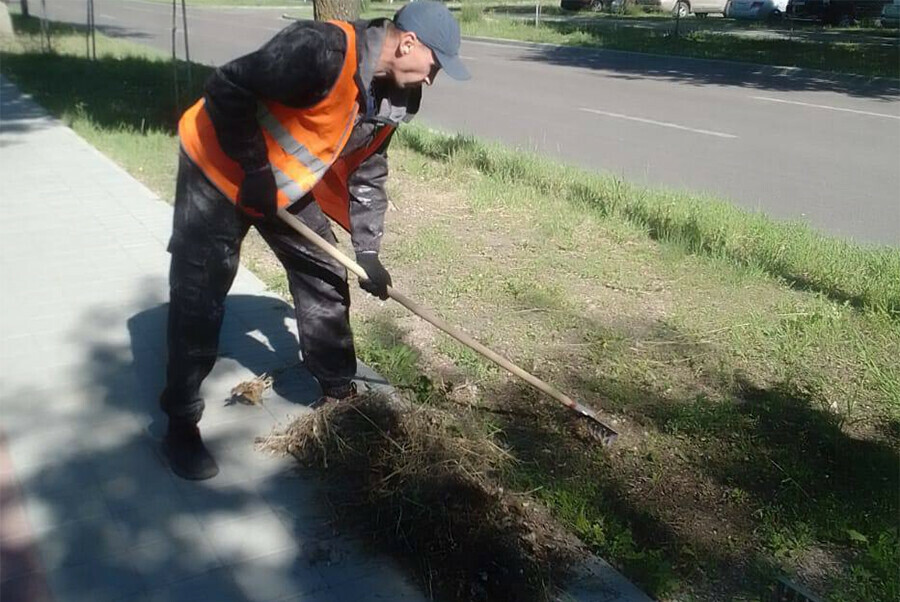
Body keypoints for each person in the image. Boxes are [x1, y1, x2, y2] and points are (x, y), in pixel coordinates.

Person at [160, 1, 469, 480]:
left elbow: (368, 168)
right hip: (218, 167)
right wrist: (255, 170)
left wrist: (367, 250)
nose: (432, 80)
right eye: (435, 67)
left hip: (283, 182)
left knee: (325, 275)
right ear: (408, 43)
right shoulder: (321, 50)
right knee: (200, 294)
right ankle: (180, 423)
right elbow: (228, 86)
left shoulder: (395, 96)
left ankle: (338, 395)